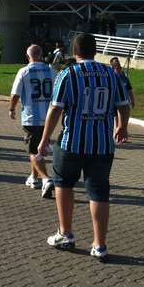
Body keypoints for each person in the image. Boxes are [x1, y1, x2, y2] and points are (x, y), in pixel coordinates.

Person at [37, 32, 130, 261]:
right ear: (95, 50)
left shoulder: (67, 74)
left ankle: (65, 233)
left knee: (64, 185)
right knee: (99, 192)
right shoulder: (111, 73)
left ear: (74, 52)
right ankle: (99, 244)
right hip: (102, 144)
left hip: (72, 142)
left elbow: (56, 109)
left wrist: (45, 138)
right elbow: (124, 104)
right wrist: (122, 126)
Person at [9, 44, 55, 199]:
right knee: (39, 149)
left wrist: (12, 108)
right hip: (48, 117)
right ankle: (33, 178)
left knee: (33, 151)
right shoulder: (51, 71)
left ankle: (46, 179)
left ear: (27, 56)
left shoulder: (24, 71)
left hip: (31, 117)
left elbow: (15, 94)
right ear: (41, 55)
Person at [110, 57, 134, 143]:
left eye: (120, 67)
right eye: (117, 68)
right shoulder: (112, 78)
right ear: (113, 68)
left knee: (124, 119)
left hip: (125, 101)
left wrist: (132, 100)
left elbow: (129, 90)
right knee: (117, 118)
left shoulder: (124, 78)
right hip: (115, 102)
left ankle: (123, 133)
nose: (119, 69)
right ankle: (117, 134)